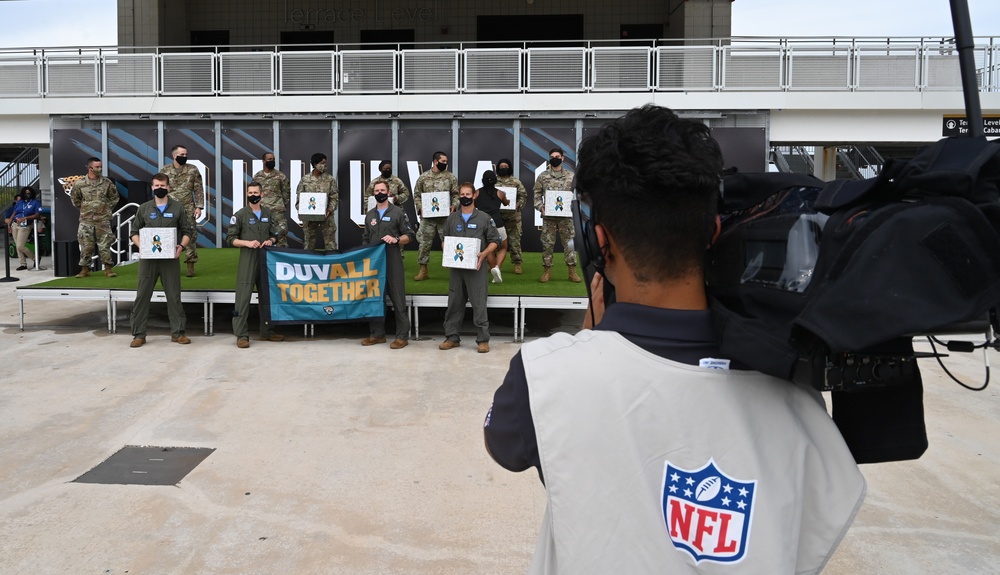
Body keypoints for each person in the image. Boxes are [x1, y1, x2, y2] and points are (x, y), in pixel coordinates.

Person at [483, 105, 866, 574]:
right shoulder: (798, 391)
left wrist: (590, 336)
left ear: (597, 241)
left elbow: (506, 445)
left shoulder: (544, 375)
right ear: (715, 231)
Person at [129, 173, 195, 348]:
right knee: (142, 295)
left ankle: (178, 333)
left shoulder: (178, 208)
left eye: (162, 185)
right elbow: (134, 232)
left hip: (169, 259)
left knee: (174, 295)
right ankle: (139, 334)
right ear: (152, 187)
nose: (159, 188)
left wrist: (181, 246)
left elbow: (187, 231)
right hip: (148, 260)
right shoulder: (144, 208)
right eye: (156, 186)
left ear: (168, 187)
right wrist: (141, 246)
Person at [439, 182, 500, 353]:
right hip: (457, 269)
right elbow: (444, 239)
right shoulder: (452, 218)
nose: (465, 197)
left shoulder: (484, 218)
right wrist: (448, 253)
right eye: (462, 194)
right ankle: (452, 337)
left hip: (476, 268)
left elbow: (496, 241)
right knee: (454, 303)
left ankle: (482, 340)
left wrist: (484, 254)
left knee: (479, 303)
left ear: (474, 196)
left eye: (468, 194)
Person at [226, 181, 287, 348]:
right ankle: (241, 335)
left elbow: (276, 234)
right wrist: (246, 243)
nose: (253, 195)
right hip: (248, 258)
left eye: (256, 192)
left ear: (262, 194)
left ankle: (267, 331)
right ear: (247, 194)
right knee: (243, 297)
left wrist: (271, 240)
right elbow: (230, 239)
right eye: (250, 193)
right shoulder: (240, 215)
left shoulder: (268, 213)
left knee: (267, 296)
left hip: (265, 259)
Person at [361, 181, 416, 349]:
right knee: (375, 299)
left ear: (389, 192)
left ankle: (402, 336)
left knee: (398, 298)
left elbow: (409, 235)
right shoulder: (370, 215)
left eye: (382, 190)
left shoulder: (398, 212)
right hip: (375, 263)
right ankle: (377, 334)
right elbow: (365, 238)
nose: (379, 193)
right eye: (376, 190)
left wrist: (397, 240)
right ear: (373, 193)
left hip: (392, 259)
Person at [533, 147, 582, 283]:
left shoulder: (571, 176)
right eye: (552, 156)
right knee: (547, 244)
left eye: (557, 156)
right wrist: (540, 207)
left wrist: (573, 206)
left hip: (566, 218)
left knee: (569, 244)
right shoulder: (543, 176)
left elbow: (577, 195)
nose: (555, 158)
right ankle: (547, 271)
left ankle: (572, 271)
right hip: (549, 218)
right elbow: (536, 195)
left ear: (562, 158)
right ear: (549, 158)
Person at [412, 151, 459, 281]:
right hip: (428, 218)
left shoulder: (450, 177)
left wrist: (454, 206)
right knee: (424, 243)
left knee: (449, 242)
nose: (445, 164)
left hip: (445, 217)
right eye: (443, 161)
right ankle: (423, 269)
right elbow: (417, 195)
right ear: (435, 161)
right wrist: (420, 208)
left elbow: (456, 195)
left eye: (446, 161)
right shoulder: (423, 177)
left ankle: (455, 271)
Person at [70, 157, 120, 278]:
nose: (100, 169)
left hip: (103, 220)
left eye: (100, 167)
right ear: (90, 168)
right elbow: (75, 199)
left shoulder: (107, 183)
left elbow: (114, 197)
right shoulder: (80, 184)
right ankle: (85, 269)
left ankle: (108, 269)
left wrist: (106, 208)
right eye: (97, 167)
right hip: (86, 221)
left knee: (105, 246)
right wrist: (86, 208)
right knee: (86, 246)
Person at [161, 145, 205, 277]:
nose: (184, 157)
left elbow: (198, 189)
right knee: (169, 235)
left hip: (188, 208)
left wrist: (199, 206)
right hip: (169, 208)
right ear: (174, 156)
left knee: (190, 235)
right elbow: (161, 189)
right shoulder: (165, 170)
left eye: (186, 154)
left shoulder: (192, 170)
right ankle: (168, 265)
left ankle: (190, 265)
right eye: (182, 154)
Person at [297, 152, 340, 251]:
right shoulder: (305, 180)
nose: (325, 165)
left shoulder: (330, 180)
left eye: (326, 163)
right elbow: (300, 198)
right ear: (315, 164)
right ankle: (308, 262)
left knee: (330, 243)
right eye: (323, 163)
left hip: (326, 215)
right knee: (309, 243)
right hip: (309, 216)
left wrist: (329, 210)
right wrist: (301, 211)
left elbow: (334, 197)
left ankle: (332, 262)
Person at [475, 170, 509, 284]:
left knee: (488, 249)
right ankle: (497, 268)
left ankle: (494, 267)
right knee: (503, 248)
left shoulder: (477, 193)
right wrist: (507, 200)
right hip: (497, 223)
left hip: (483, 224)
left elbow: (472, 204)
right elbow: (505, 203)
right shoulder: (500, 193)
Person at [252, 151, 292, 247]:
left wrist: (280, 205)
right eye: (269, 159)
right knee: (261, 234)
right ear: (263, 161)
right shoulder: (257, 176)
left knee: (281, 233)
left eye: (273, 159)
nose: (272, 161)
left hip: (277, 210)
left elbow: (286, 193)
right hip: (261, 211)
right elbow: (253, 192)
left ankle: (282, 258)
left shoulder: (280, 176)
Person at [496, 158, 527, 274]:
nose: (503, 168)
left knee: (515, 242)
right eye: (501, 166)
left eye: (506, 166)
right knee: (495, 241)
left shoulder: (516, 182)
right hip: (497, 217)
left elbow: (523, 196)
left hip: (514, 217)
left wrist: (518, 204)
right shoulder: (494, 181)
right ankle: (493, 263)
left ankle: (517, 264)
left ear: (510, 168)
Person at [6, 187, 42, 271]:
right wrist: (9, 223)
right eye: (26, 192)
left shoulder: (35, 202)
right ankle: (23, 263)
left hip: (25, 225)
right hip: (15, 224)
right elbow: (14, 212)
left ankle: (35, 258)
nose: (27, 194)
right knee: (17, 246)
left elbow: (37, 215)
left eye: (29, 192)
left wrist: (25, 218)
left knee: (20, 245)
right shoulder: (20, 202)